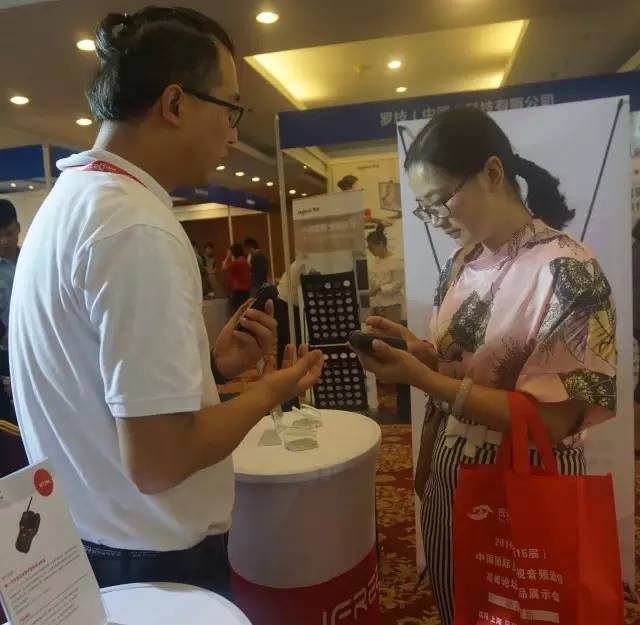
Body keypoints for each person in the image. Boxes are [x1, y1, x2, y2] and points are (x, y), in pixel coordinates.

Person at [9, 6, 324, 595]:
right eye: (230, 108)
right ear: (175, 104)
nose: (233, 134)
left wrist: (209, 370)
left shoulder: (72, 199)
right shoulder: (136, 226)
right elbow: (159, 461)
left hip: (89, 536)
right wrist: (270, 391)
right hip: (148, 556)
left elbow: (95, 387)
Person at [351, 108, 616, 624]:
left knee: (524, 609)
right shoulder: (462, 263)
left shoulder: (566, 268)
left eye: (440, 200)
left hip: (526, 476)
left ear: (493, 172)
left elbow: (555, 420)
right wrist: (420, 354)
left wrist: (424, 378)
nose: (436, 219)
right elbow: (464, 369)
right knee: (458, 604)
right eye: (425, 209)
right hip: (452, 468)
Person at [0, 199, 27, 477]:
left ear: (18, 228)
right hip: (6, 355)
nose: (4, 241)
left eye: (8, 233)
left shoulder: (31, 257)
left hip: (33, 350)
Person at [366, 223, 404, 323]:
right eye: (369, 249)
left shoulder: (396, 260)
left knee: (391, 331)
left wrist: (379, 289)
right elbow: (373, 280)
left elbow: (397, 285)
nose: (371, 251)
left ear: (381, 244)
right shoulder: (376, 261)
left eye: (372, 248)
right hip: (376, 305)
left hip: (391, 305)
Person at [223, 243, 251, 312]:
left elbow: (224, 267)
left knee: (237, 311)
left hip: (238, 290)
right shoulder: (245, 262)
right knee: (244, 310)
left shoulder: (237, 262)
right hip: (246, 290)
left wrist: (227, 256)